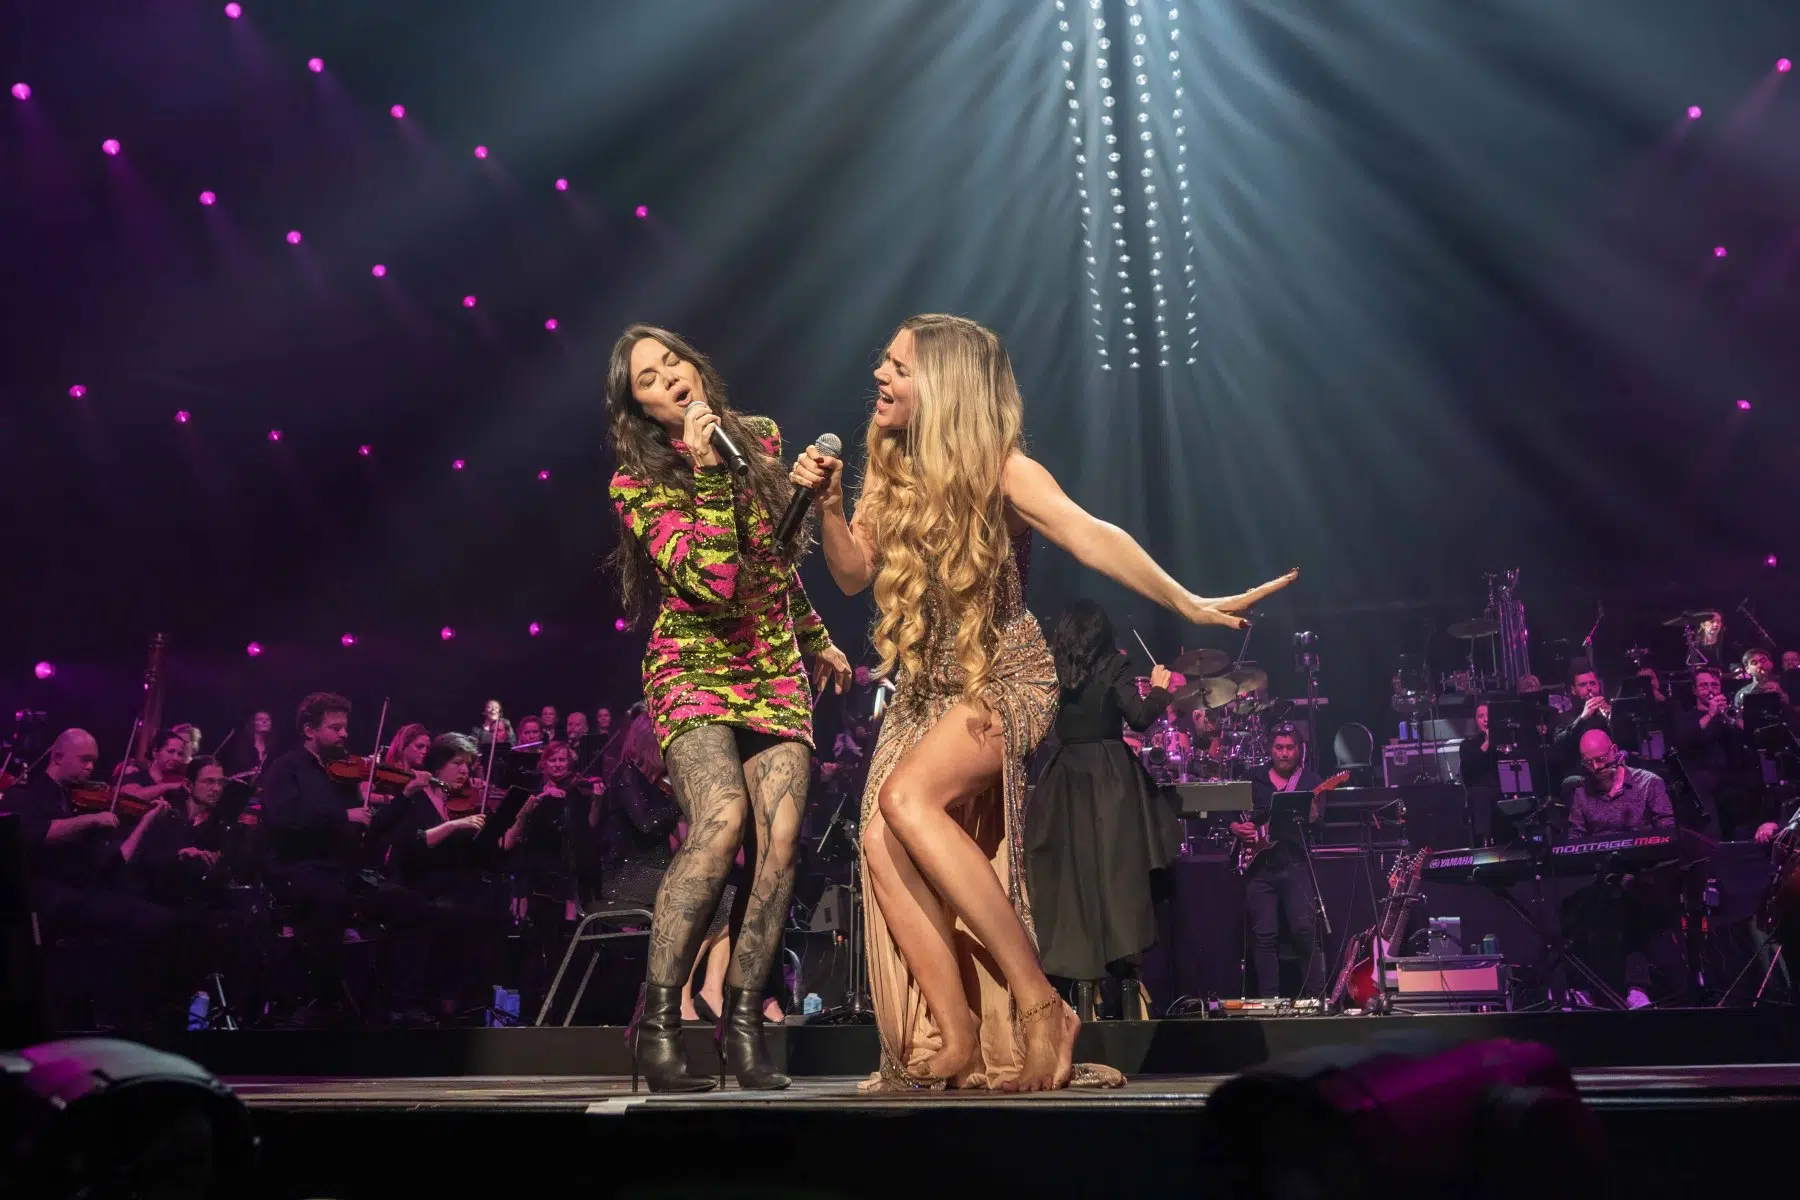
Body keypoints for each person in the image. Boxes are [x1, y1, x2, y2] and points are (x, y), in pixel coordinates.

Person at [792, 313, 1295, 1091]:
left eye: (898, 367)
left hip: (1003, 677)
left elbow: (1092, 535)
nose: (880, 378)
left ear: (948, 385)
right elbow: (855, 575)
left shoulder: (1001, 467)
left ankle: (1041, 1007)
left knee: (907, 799)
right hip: (923, 690)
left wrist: (1188, 601)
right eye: (882, 363)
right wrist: (827, 507)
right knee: (880, 846)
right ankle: (955, 1031)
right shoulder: (888, 463)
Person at [606, 323, 851, 1091]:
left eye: (671, 360)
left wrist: (816, 637)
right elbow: (709, 582)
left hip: (771, 664)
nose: (669, 378)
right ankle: (658, 1024)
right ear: (640, 408)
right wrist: (710, 473)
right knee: (721, 824)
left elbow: (769, 563)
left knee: (780, 845)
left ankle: (744, 1030)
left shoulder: (762, 439)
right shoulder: (636, 483)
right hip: (693, 663)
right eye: (648, 378)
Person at [1025, 601, 1181, 1022]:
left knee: (1075, 882)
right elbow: (1140, 717)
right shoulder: (1116, 665)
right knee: (1119, 878)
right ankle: (1129, 984)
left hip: (1066, 780)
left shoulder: (1053, 669)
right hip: (1111, 780)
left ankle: (1083, 988)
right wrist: (1162, 688)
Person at [1561, 729, 1686, 1007]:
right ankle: (1586, 987)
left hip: (1650, 872)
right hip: (1605, 875)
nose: (1595, 768)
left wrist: (1640, 846)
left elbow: (1668, 831)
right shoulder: (1582, 793)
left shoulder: (1648, 784)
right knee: (1576, 904)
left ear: (1615, 751)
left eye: (1600, 760)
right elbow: (1576, 840)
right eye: (1588, 763)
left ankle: (1637, 986)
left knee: (1629, 893)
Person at [1232, 726, 1327, 998]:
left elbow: (1320, 825)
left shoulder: (1311, 781)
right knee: (1264, 938)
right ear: (1269, 749)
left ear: (1299, 751)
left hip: (1295, 865)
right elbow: (1227, 809)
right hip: (1259, 868)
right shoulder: (1252, 777)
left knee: (1305, 932)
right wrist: (1234, 827)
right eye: (1279, 747)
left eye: (1290, 748)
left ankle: (1316, 999)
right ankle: (1269, 1002)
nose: (1284, 753)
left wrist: (1312, 816)